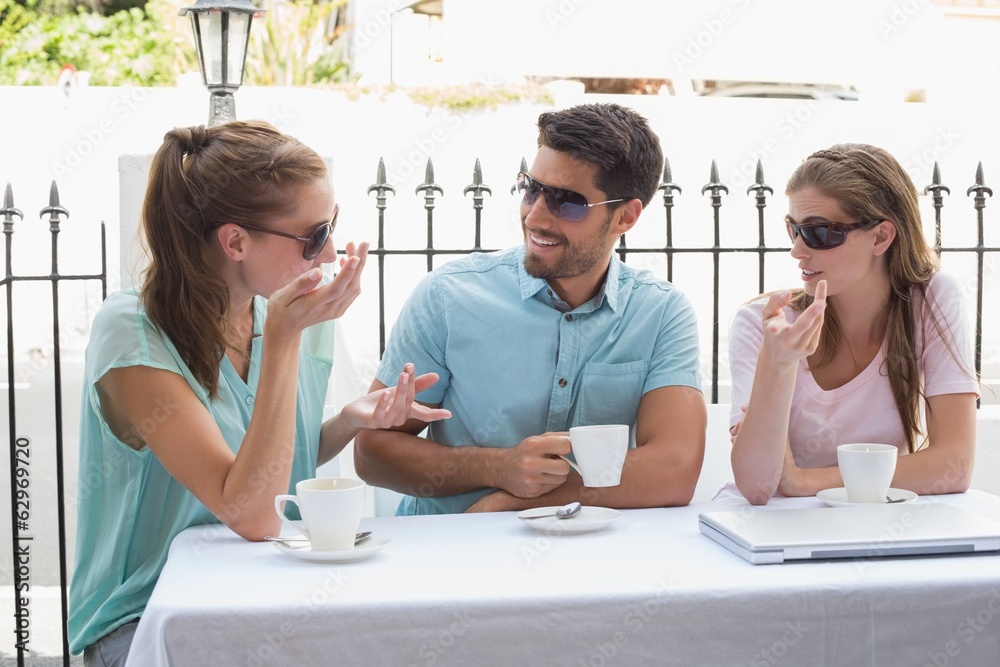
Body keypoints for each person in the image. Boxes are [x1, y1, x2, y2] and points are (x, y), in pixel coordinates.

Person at [67, 120, 449, 665]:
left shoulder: (287, 315)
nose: (329, 254)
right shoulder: (132, 330)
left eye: (332, 228)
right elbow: (250, 512)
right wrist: (284, 343)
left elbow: (266, 470)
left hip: (262, 592)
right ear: (236, 241)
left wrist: (346, 422)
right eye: (314, 236)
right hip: (148, 616)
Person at [354, 103, 706, 515]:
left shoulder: (661, 313)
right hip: (450, 555)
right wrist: (498, 467)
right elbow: (372, 452)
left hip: (591, 559)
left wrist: (514, 503)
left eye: (567, 202)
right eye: (532, 188)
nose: (534, 216)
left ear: (625, 217)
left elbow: (674, 468)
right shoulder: (449, 296)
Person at [728, 143, 979, 506]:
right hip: (772, 527)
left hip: (874, 519)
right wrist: (776, 363)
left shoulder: (931, 300)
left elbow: (954, 466)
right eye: (793, 230)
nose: (797, 250)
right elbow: (757, 486)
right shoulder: (764, 324)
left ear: (881, 237)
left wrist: (801, 480)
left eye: (818, 232)